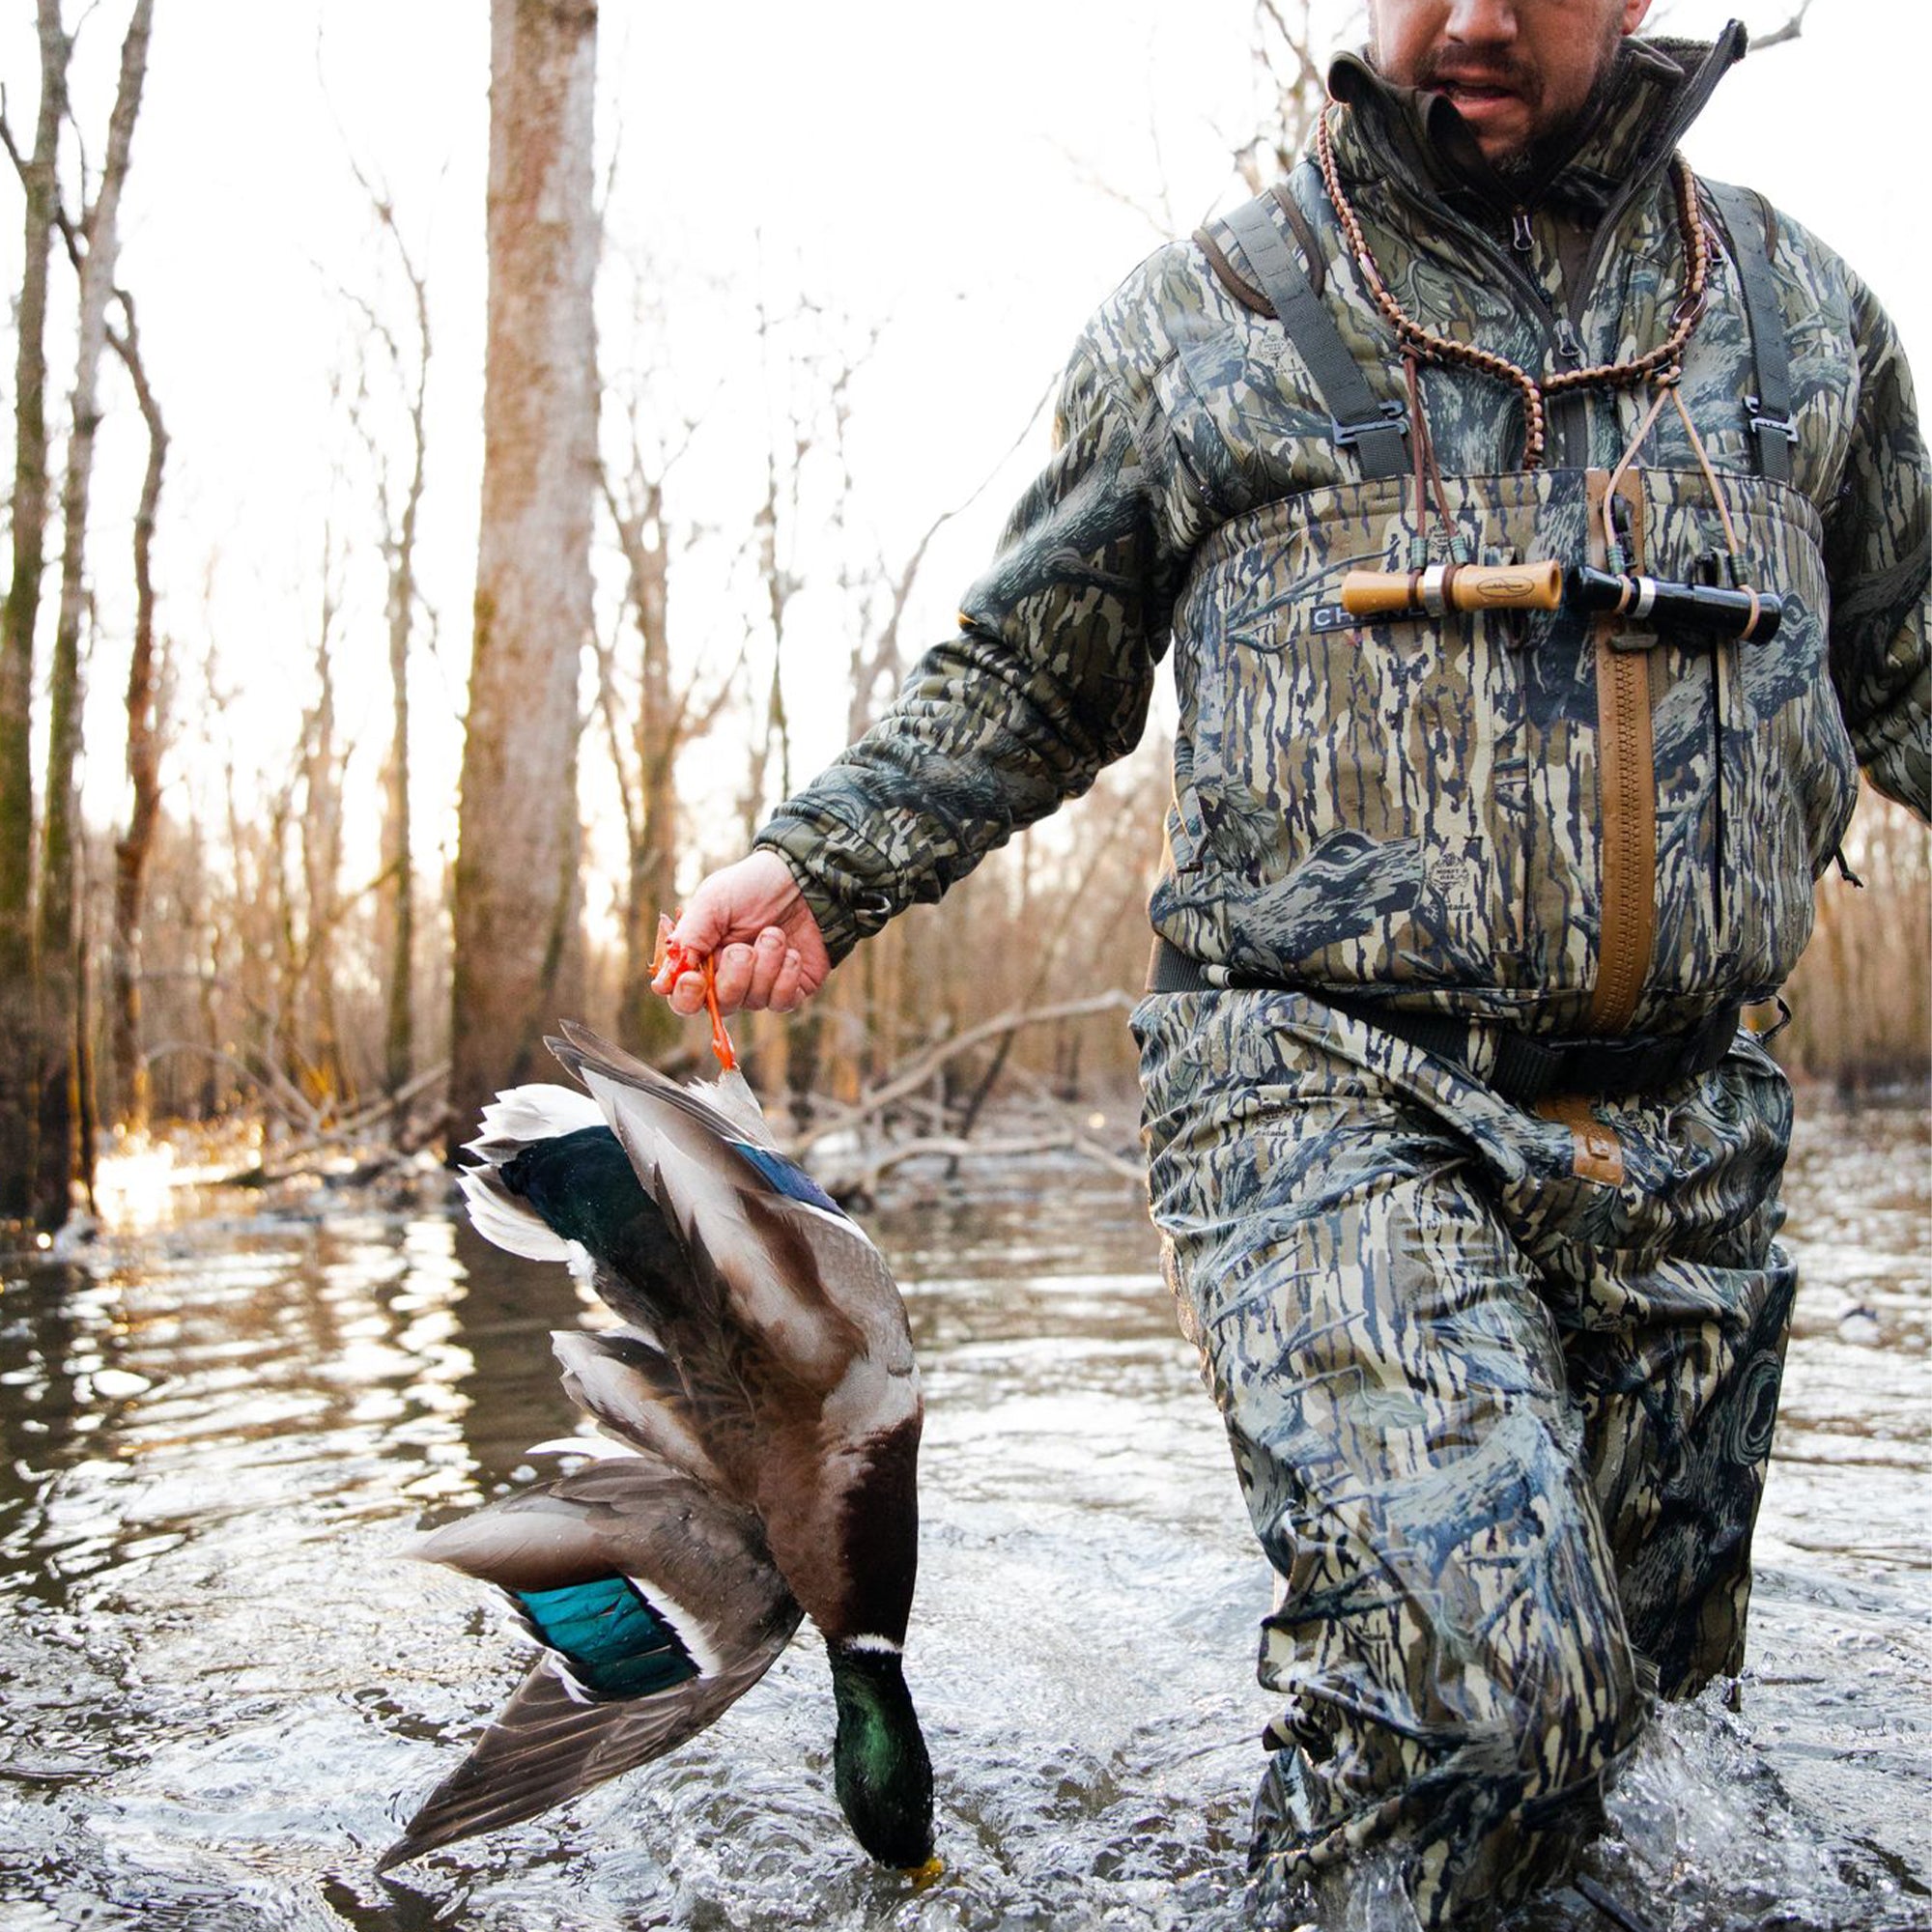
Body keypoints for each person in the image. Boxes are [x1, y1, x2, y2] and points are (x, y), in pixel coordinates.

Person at [655, 2, 1930, 1922]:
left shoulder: (1804, 322)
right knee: (1489, 1695)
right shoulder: (1207, 321)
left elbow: (1909, 668)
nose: (1478, 16)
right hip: (1322, 1089)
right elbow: (1035, 671)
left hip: (1693, 1135)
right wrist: (824, 861)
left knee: (1644, 1771)